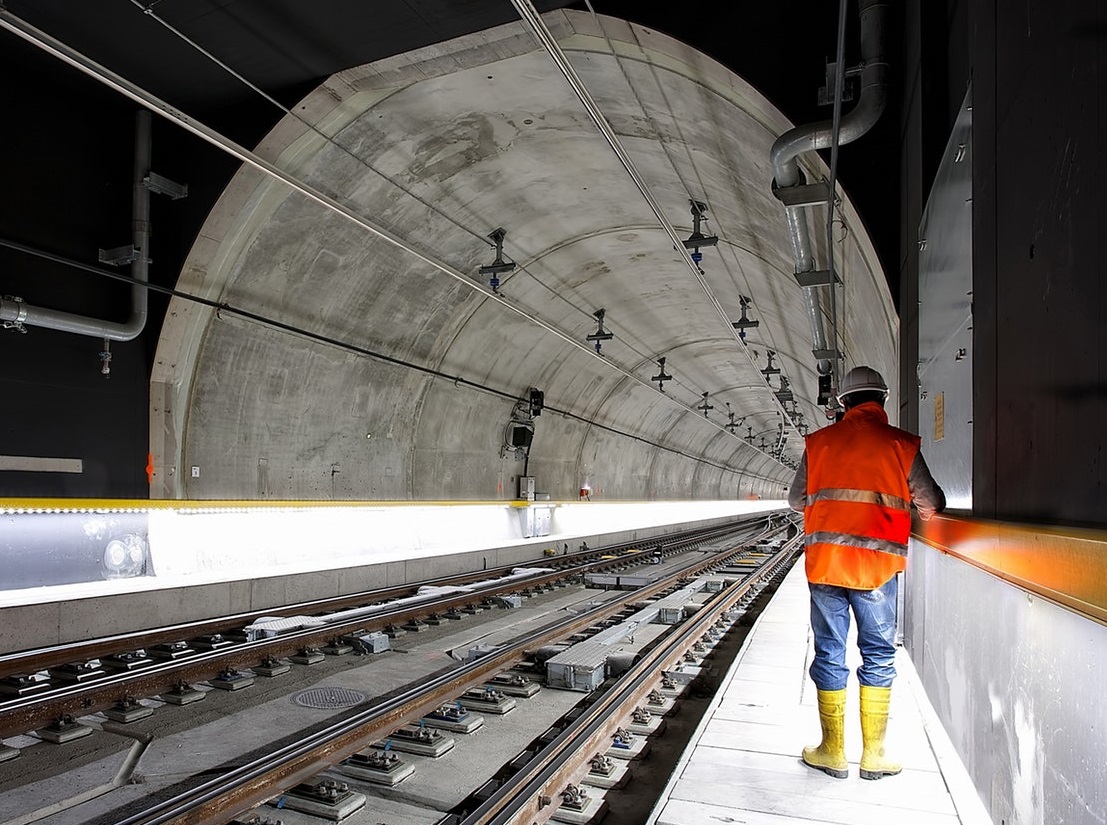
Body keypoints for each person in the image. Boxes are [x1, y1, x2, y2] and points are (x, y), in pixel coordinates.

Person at [788, 365, 945, 780]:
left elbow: (794, 499)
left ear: (843, 402)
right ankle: (873, 754)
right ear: (883, 399)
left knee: (830, 650)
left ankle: (831, 750)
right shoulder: (901, 445)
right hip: (876, 569)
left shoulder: (818, 444)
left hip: (825, 566)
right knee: (877, 652)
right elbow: (931, 502)